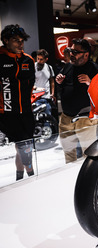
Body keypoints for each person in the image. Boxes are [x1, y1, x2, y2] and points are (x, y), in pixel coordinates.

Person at [55, 38, 98, 163]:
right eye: (71, 51)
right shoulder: (68, 66)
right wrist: (59, 82)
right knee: (68, 154)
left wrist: (90, 83)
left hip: (85, 118)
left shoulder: (95, 69)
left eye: (75, 52)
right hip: (66, 118)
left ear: (86, 54)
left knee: (89, 154)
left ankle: (87, 179)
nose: (71, 54)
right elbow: (65, 88)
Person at [0, 24, 35, 180]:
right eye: (15, 40)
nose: (20, 44)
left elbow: (30, 85)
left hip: (26, 112)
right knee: (24, 146)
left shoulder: (28, 60)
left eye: (22, 40)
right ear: (5, 40)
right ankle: (32, 176)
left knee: (23, 147)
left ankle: (19, 179)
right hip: (6, 113)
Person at [34, 49, 55, 115]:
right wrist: (35, 88)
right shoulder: (33, 66)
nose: (39, 61)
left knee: (47, 117)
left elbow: (52, 81)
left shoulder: (49, 67)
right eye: (38, 58)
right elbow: (28, 80)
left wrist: (52, 93)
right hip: (35, 97)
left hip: (47, 97)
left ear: (46, 59)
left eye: (41, 59)